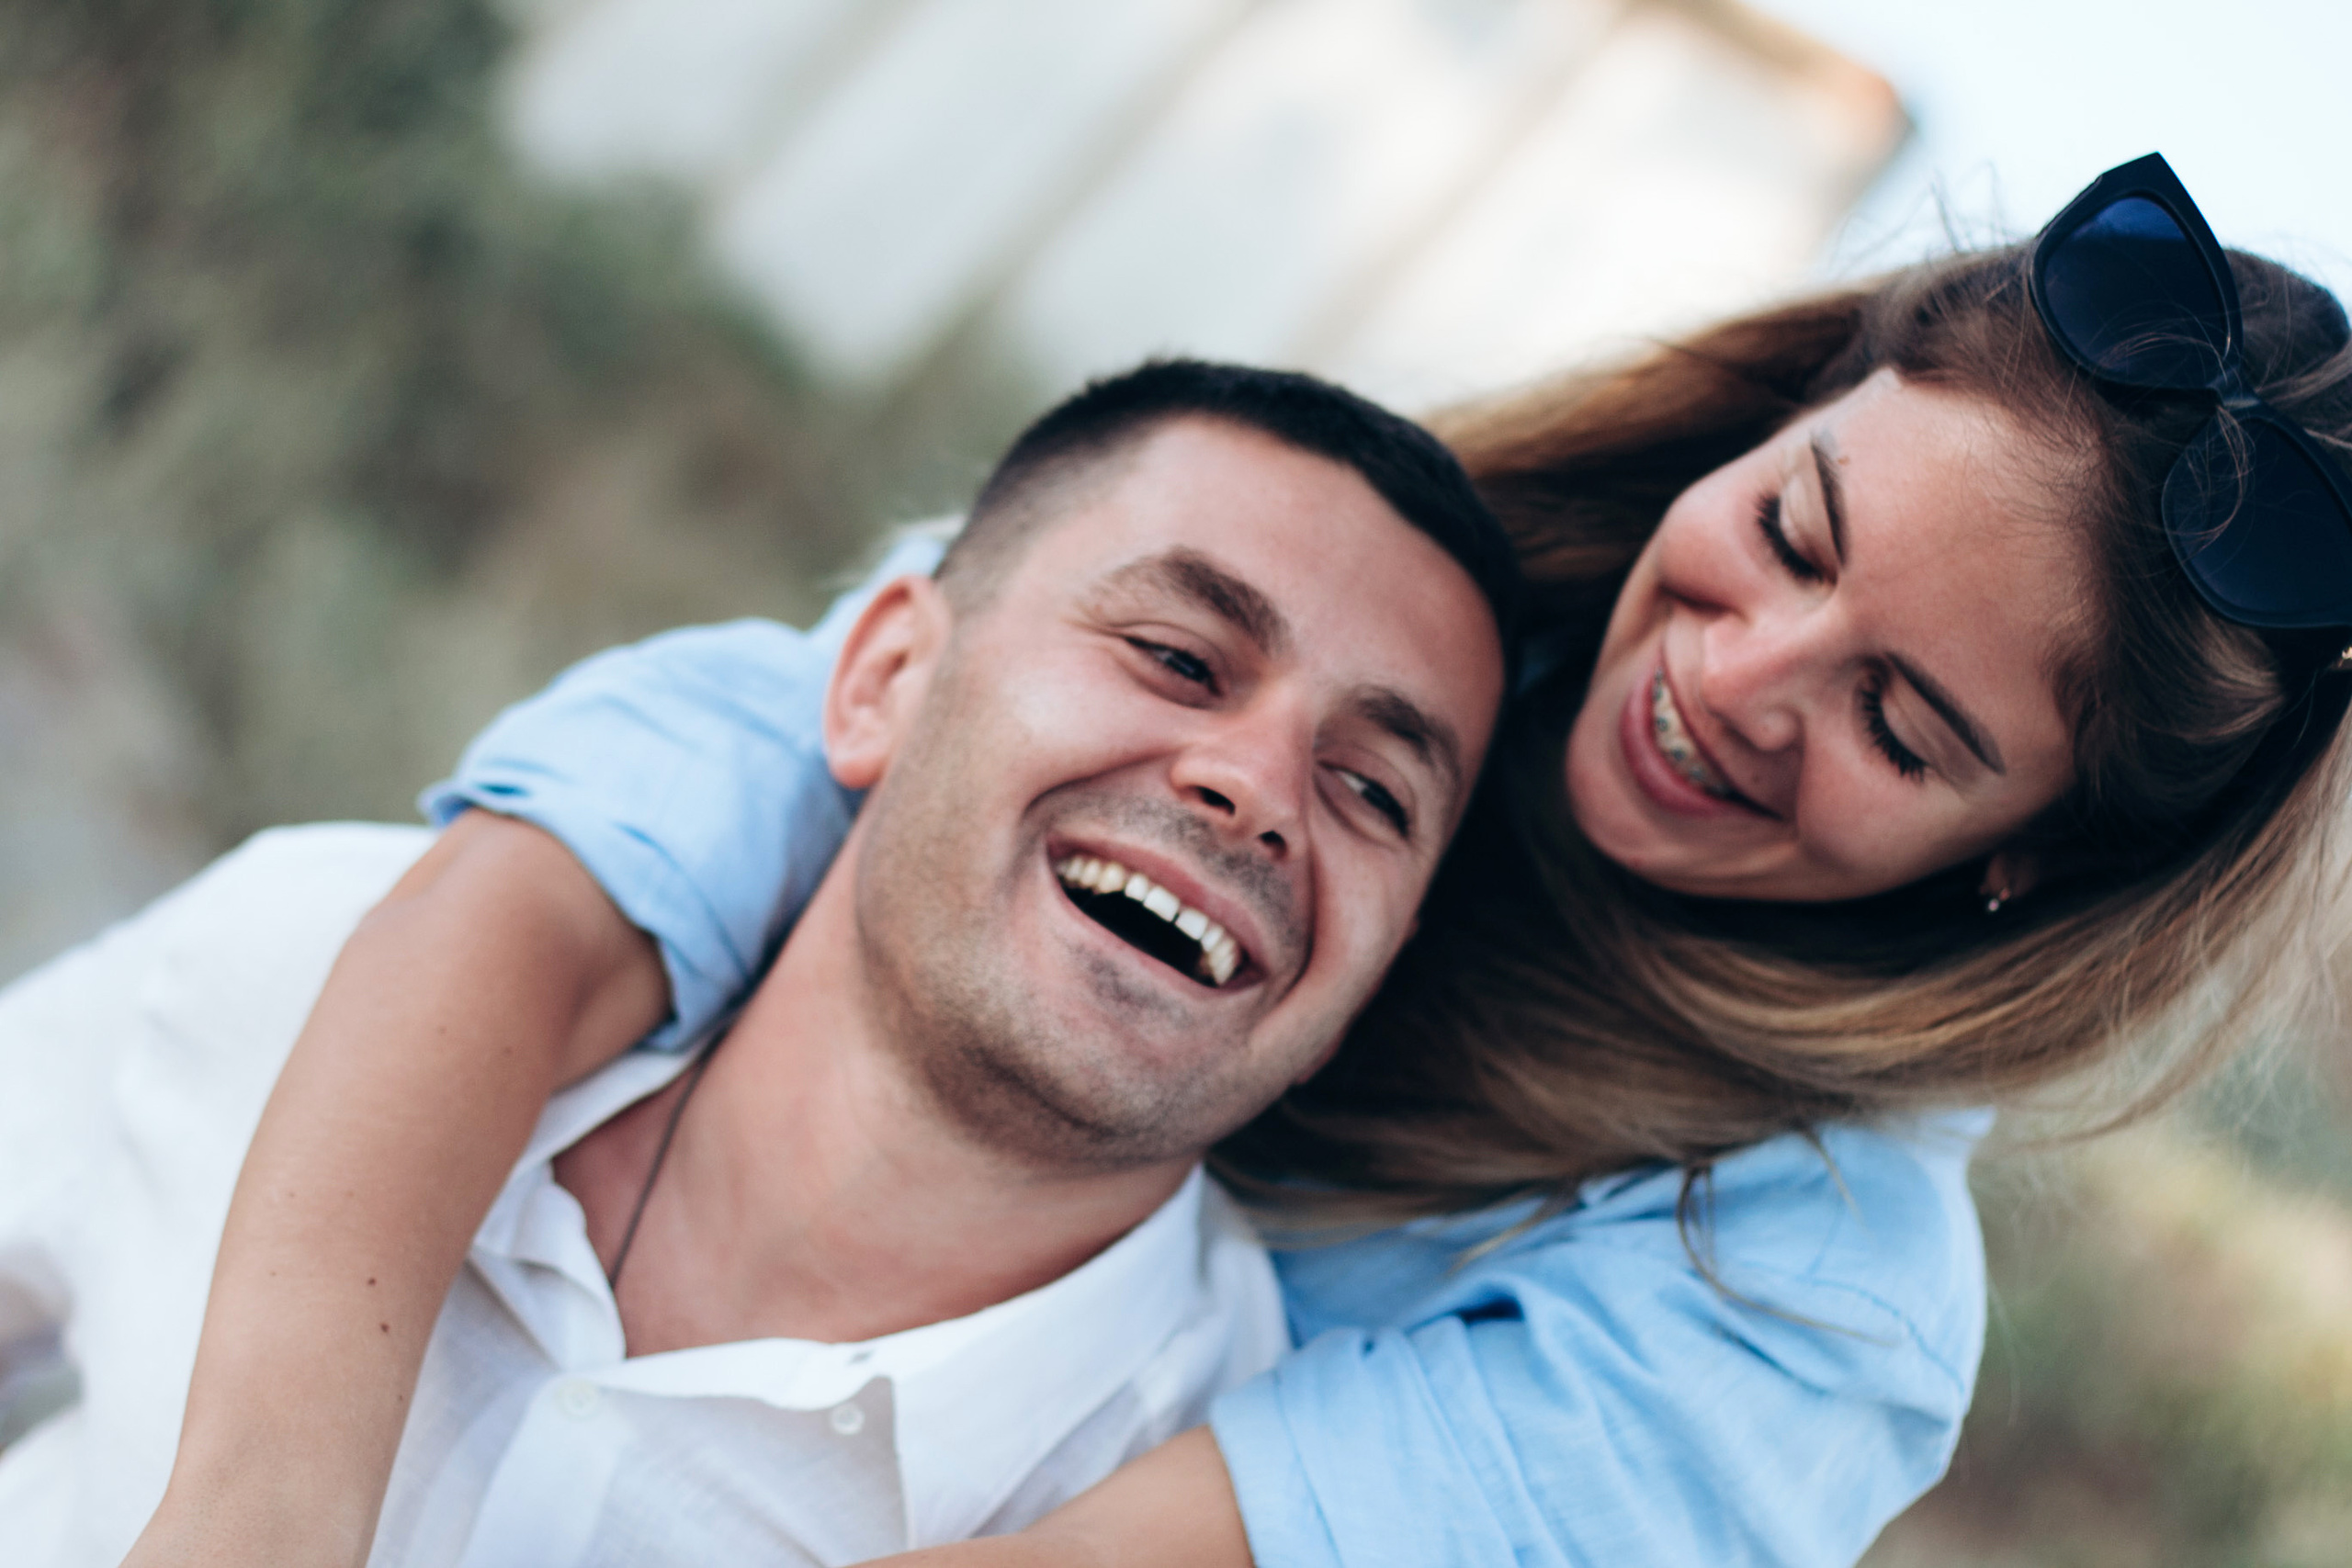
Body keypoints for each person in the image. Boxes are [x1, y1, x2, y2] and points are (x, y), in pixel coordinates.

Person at [108, 156, 2352, 1565]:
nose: (1740, 675)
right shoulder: (1294, 577)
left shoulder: (1792, 1302)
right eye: (1787, 531)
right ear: (1765, 426)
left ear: (2017, 870)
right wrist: (255, 1511)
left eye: (1900, 721)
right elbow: (603, 850)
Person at [0, 363, 1516, 1564]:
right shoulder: (321, 946)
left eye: (1374, 792)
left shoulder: (1238, 1493)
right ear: (881, 682)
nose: (1256, 785)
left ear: (1356, 998)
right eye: (1178, 658)